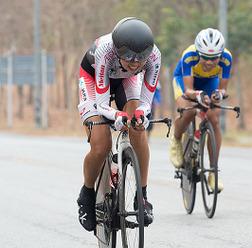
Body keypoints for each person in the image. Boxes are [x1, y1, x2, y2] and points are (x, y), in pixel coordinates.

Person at [77, 17, 161, 231]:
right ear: (117, 51)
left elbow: (146, 102)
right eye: (129, 57)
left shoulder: (154, 57)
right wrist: (117, 116)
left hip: (127, 80)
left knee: (138, 129)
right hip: (94, 79)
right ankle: (86, 194)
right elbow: (103, 105)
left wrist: (140, 114)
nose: (135, 63)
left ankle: (141, 197)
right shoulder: (105, 52)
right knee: (100, 144)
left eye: (140, 59)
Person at [170, 28, 232, 192]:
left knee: (214, 119)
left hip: (209, 82)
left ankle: (213, 171)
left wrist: (218, 94)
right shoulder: (189, 55)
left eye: (214, 58)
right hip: (186, 83)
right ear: (198, 53)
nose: (210, 62)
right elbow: (189, 91)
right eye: (205, 57)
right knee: (189, 111)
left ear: (221, 54)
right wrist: (199, 95)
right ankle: (176, 140)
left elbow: (223, 89)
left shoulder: (227, 58)